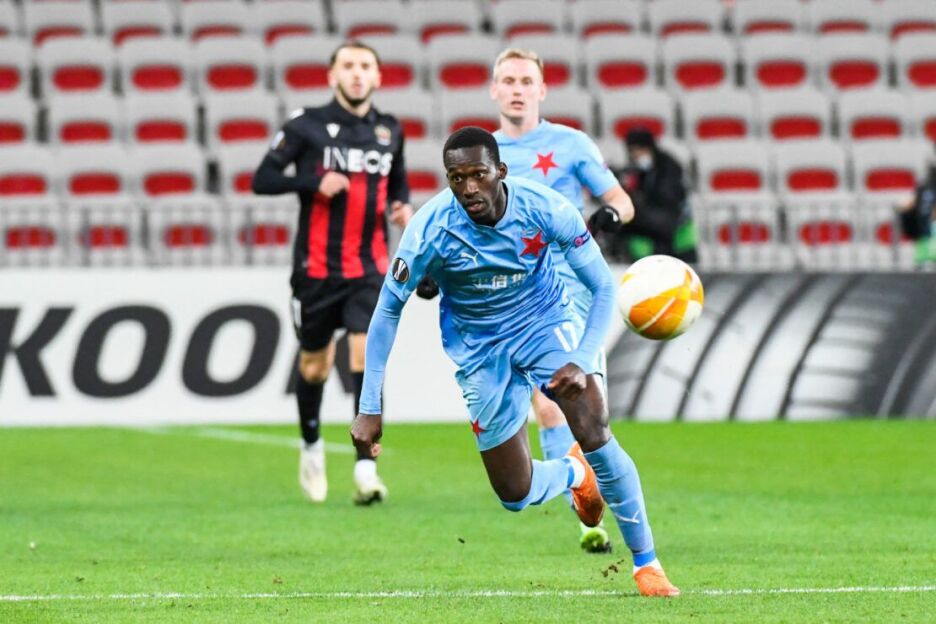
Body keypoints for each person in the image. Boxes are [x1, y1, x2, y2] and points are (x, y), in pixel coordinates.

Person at [351, 127, 679, 598]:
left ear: (500, 171)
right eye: (456, 178)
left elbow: (603, 285)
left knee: (593, 426)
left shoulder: (545, 208)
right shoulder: (430, 229)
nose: (468, 188)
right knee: (514, 492)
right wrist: (369, 406)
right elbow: (386, 312)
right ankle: (574, 473)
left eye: (478, 174)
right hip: (480, 350)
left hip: (546, 323)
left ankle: (647, 564)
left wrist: (581, 359)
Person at [485, 47, 636, 554]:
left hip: (575, 291)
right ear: (494, 90)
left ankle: (597, 496)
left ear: (542, 90)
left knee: (589, 417)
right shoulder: (484, 156)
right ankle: (587, 520)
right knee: (550, 407)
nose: (517, 89)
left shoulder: (570, 144)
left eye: (526, 81)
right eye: (508, 81)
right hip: (518, 301)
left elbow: (620, 201)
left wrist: (607, 218)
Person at [251, 40, 413, 505]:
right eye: (348, 66)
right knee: (315, 366)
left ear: (378, 76)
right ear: (332, 76)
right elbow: (262, 179)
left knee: (366, 357)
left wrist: (401, 208)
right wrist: (312, 181)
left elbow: (397, 186)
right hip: (317, 270)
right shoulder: (306, 125)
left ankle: (366, 468)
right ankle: (311, 445)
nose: (357, 73)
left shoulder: (389, 130)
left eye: (365, 66)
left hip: (370, 267)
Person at [611, 128, 697, 264]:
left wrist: (637, 198)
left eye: (638, 150)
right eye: (632, 151)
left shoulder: (668, 167)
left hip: (671, 221)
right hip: (653, 220)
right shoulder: (638, 170)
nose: (635, 155)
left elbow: (667, 199)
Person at [897, 162, 936, 266]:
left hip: (931, 218)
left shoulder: (928, 187)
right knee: (922, 238)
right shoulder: (922, 187)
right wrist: (905, 207)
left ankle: (930, 258)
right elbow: (916, 200)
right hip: (923, 217)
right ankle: (921, 260)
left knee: (932, 238)